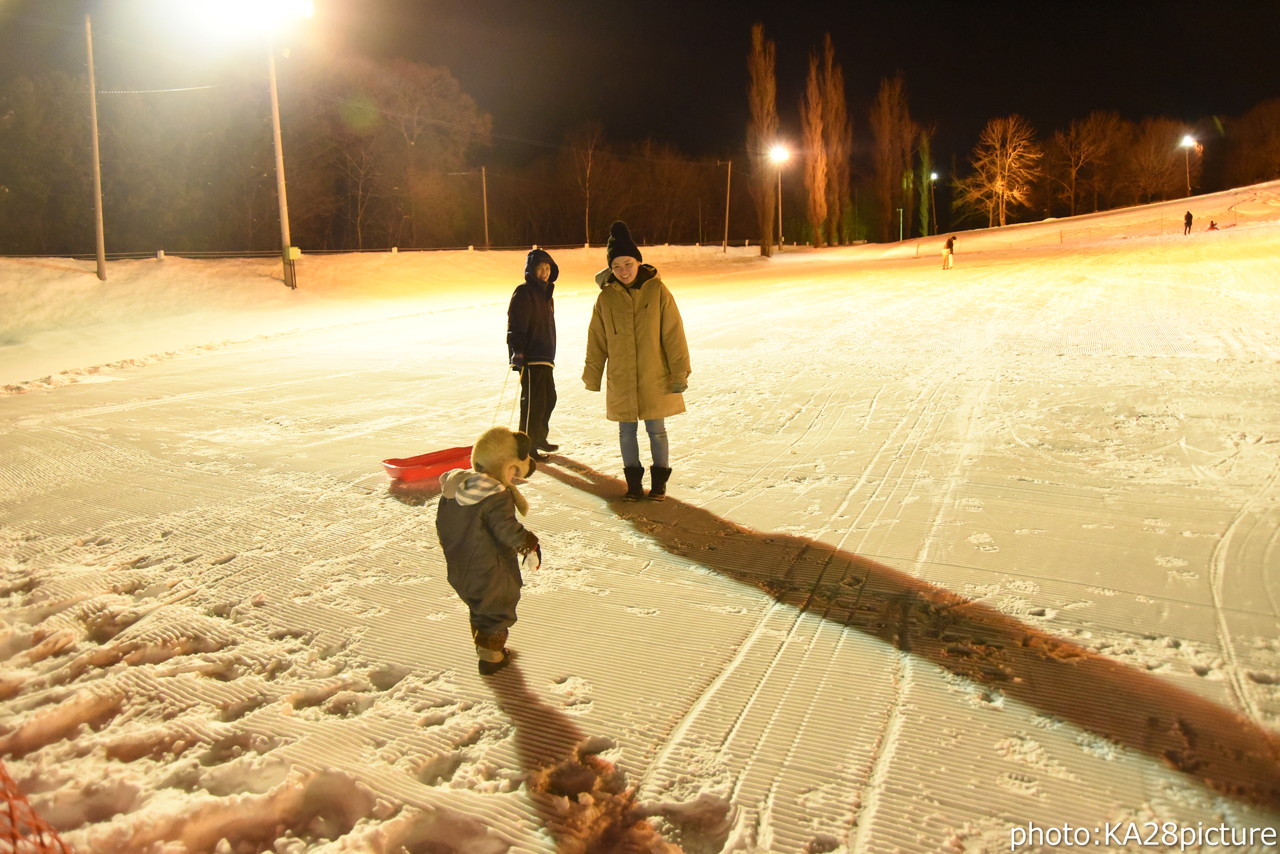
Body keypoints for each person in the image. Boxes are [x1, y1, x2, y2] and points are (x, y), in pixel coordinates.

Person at [583, 221, 691, 501]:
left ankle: (659, 483)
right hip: (621, 376)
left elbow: (673, 334)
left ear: (638, 262)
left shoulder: (657, 291)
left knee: (656, 430)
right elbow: (597, 340)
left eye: (628, 264)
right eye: (617, 266)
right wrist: (592, 375)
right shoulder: (606, 298)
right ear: (611, 268)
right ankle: (633, 484)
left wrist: (679, 372)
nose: (623, 271)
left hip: (654, 375)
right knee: (626, 432)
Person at [436, 427, 541, 676]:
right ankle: (491, 657)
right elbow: (506, 529)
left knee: (480, 606)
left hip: (461, 562)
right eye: (515, 472)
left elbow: (445, 525)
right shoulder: (495, 496)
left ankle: (484, 647)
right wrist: (529, 544)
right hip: (490, 565)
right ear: (505, 465)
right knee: (496, 607)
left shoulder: (456, 490)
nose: (514, 480)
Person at [507, 248, 559, 461]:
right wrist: (517, 350)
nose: (544, 273)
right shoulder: (524, 292)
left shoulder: (546, 294)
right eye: (540, 269)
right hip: (530, 356)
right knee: (533, 403)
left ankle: (538, 438)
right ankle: (526, 448)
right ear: (531, 271)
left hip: (546, 356)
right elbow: (516, 323)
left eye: (547, 268)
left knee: (548, 399)